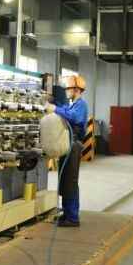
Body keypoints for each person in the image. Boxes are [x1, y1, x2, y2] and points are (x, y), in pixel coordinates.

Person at [46, 75, 89, 227]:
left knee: (70, 181)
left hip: (74, 145)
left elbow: (74, 117)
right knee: (64, 180)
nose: (66, 92)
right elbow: (66, 110)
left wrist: (55, 109)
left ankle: (73, 218)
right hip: (67, 145)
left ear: (76, 90)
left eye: (68, 89)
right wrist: (53, 103)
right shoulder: (73, 104)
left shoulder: (81, 105)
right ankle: (66, 213)